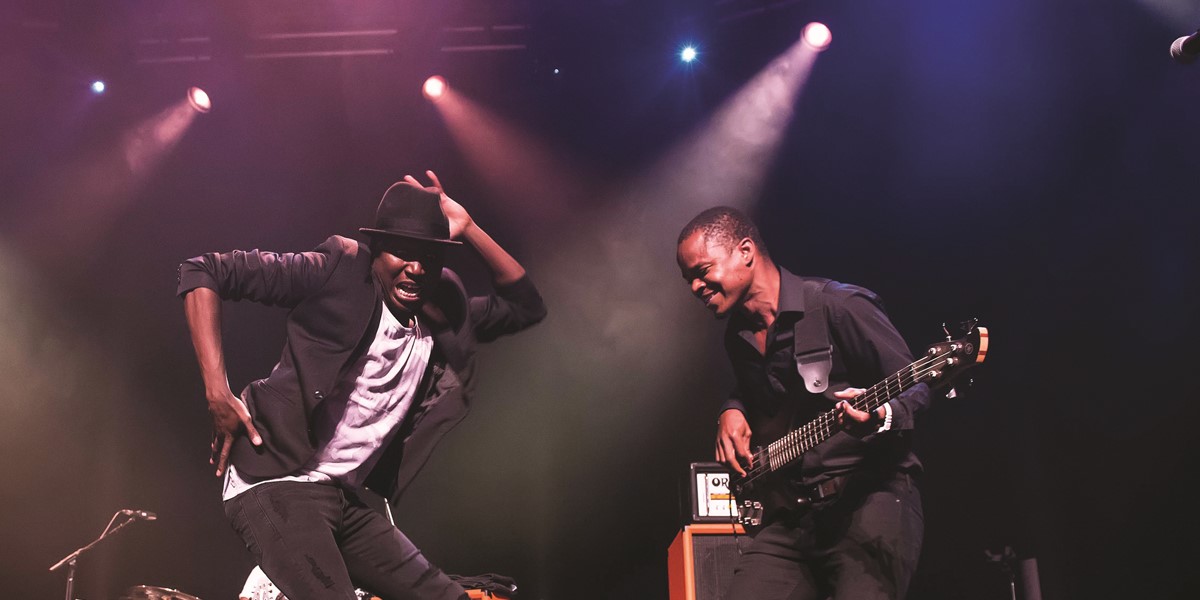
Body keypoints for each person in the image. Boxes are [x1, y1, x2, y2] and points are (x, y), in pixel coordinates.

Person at [179, 171, 546, 600]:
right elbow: (203, 271)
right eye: (402, 253)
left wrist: (467, 226)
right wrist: (216, 392)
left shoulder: (442, 314)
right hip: (275, 481)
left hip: (341, 496)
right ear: (376, 252)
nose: (416, 267)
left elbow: (526, 307)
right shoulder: (338, 271)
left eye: (428, 256)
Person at [676, 206, 929, 600]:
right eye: (688, 279)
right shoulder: (737, 337)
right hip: (795, 516)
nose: (695, 287)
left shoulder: (838, 305)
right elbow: (770, 396)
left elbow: (919, 382)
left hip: (870, 500)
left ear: (745, 251)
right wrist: (733, 408)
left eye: (702, 271)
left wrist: (880, 415)